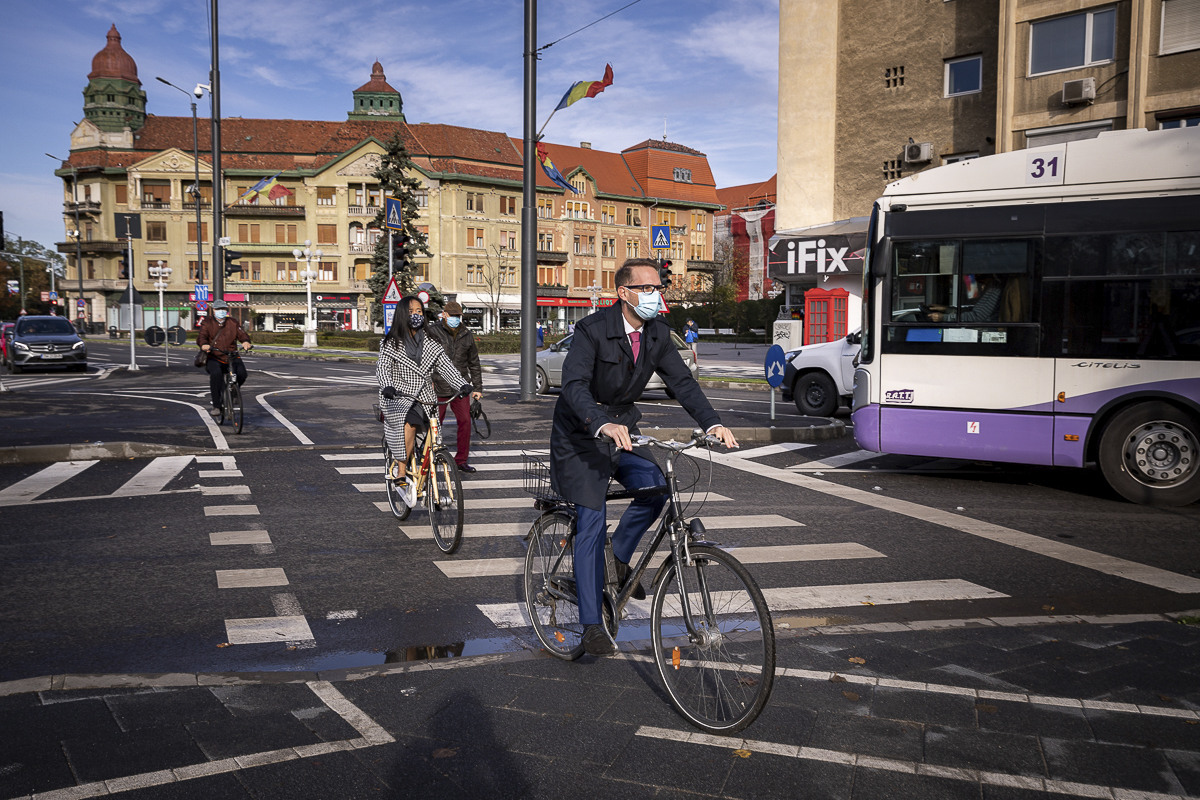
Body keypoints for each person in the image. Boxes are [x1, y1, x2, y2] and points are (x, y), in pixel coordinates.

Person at [549, 258, 739, 657]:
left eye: (659, 288)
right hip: (583, 435)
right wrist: (599, 423)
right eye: (648, 288)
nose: (656, 296)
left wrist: (712, 423)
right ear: (624, 293)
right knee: (591, 519)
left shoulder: (656, 334)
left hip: (623, 431)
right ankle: (589, 624)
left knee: (656, 487)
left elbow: (682, 382)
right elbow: (574, 386)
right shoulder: (592, 330)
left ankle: (617, 559)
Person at [376, 296, 473, 507]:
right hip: (399, 396)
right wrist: (387, 386)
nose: (416, 315)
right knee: (409, 424)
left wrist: (463, 384)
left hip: (425, 397)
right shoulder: (391, 343)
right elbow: (382, 369)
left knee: (434, 434)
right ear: (402, 315)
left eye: (419, 311)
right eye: (411, 311)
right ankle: (401, 471)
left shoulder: (430, 343)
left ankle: (428, 468)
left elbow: (447, 368)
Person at [428, 301, 484, 473]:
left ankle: (461, 460)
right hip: (439, 386)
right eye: (452, 315)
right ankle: (429, 457)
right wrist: (428, 380)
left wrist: (477, 388)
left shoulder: (466, 334)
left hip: (460, 386)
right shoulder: (433, 331)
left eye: (458, 316)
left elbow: (474, 362)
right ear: (444, 314)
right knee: (435, 424)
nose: (455, 319)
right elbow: (424, 359)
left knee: (465, 422)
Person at [198, 300, 251, 418]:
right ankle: (217, 406)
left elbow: (242, 334)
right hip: (214, 356)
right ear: (213, 310)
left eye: (223, 309)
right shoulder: (207, 322)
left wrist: (246, 341)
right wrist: (204, 344)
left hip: (231, 355)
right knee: (216, 375)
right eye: (218, 309)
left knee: (242, 374)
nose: (221, 312)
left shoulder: (233, 322)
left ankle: (233, 391)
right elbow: (202, 336)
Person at [928, 275, 1002, 323]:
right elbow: (975, 309)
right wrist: (947, 309)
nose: (981, 288)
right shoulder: (992, 288)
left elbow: (976, 316)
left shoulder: (994, 289)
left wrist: (945, 318)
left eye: (981, 283)